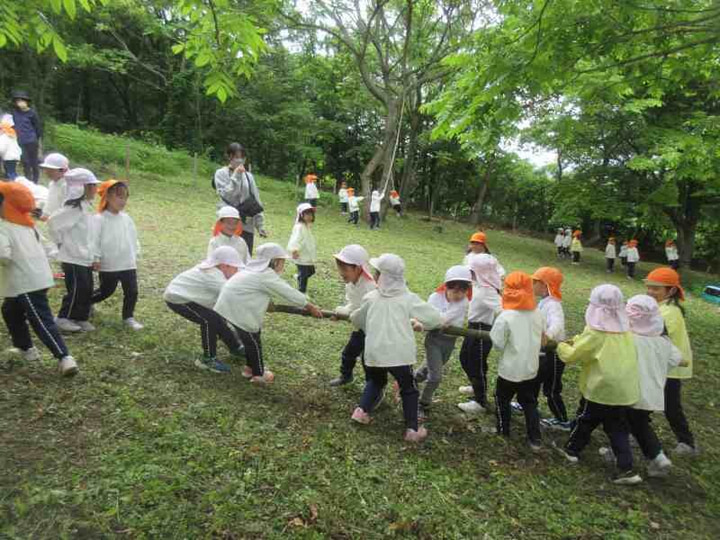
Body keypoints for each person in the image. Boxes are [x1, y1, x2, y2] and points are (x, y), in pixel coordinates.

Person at [349, 253, 442, 442]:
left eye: (376, 273)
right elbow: (433, 318)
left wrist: (350, 314)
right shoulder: (407, 297)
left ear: (381, 277)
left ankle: (361, 411)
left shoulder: (371, 297)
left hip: (374, 352)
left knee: (375, 382)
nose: (373, 276)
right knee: (408, 388)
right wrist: (438, 322)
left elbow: (357, 319)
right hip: (399, 355)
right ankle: (412, 429)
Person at [556, 284, 642, 485]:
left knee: (585, 419)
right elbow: (587, 341)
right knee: (617, 428)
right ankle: (626, 468)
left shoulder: (596, 333)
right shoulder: (625, 330)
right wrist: (578, 339)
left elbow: (572, 355)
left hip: (600, 389)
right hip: (623, 391)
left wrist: (560, 344)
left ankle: (571, 450)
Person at [598, 295, 685, 477]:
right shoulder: (663, 342)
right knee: (640, 425)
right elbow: (679, 360)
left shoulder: (627, 339)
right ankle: (658, 457)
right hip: (651, 394)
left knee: (617, 424)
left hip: (627, 391)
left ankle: (623, 461)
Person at [214, 243, 323, 384]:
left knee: (251, 338)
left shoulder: (253, 271)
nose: (283, 265)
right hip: (237, 309)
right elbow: (286, 291)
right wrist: (309, 306)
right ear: (275, 262)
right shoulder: (265, 275)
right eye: (282, 262)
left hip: (231, 305)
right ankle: (258, 374)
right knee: (253, 341)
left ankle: (248, 368)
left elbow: (257, 289)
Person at [0, 182, 78, 376]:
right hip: (36, 279)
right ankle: (26, 348)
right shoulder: (27, 224)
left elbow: (4, 256)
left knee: (40, 319)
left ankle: (64, 357)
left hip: (26, 283)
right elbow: (45, 245)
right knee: (10, 310)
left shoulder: (3, 227)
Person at [164, 246, 245, 373]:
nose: (237, 271)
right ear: (224, 266)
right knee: (209, 320)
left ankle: (235, 347)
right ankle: (208, 359)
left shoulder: (216, 271)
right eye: (235, 268)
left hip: (190, 295)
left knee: (217, 317)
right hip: (178, 298)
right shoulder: (213, 277)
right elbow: (234, 296)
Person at [644, 267, 698, 456]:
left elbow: (653, 332)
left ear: (671, 291)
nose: (650, 292)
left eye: (656, 289)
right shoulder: (660, 307)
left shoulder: (670, 312)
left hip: (671, 367)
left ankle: (687, 442)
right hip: (660, 364)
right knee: (647, 401)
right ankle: (639, 430)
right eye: (649, 287)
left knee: (670, 406)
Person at [490, 272, 544, 450]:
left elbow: (497, 342)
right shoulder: (537, 313)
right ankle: (534, 438)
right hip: (531, 368)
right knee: (529, 402)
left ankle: (503, 430)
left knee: (501, 398)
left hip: (510, 369)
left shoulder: (507, 316)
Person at [415, 265, 472, 419]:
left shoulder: (464, 301)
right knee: (436, 376)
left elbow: (442, 318)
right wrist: (439, 320)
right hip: (434, 339)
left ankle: (413, 380)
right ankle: (423, 403)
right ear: (447, 286)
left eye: (463, 290)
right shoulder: (435, 297)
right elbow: (431, 317)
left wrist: (439, 319)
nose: (459, 295)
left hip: (449, 341)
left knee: (431, 367)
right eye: (455, 290)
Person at [47, 168, 100, 333]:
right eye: (92, 186)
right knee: (76, 289)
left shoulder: (86, 207)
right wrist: (60, 243)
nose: (95, 189)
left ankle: (81, 317)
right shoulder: (72, 209)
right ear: (81, 188)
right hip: (72, 257)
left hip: (85, 256)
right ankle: (64, 317)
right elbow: (52, 223)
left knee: (87, 289)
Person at [90, 180, 143, 330]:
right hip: (109, 263)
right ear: (107, 197)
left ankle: (128, 317)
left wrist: (135, 253)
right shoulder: (99, 219)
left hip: (127, 262)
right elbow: (94, 240)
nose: (123, 201)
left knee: (132, 291)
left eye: (125, 197)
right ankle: (86, 302)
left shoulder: (126, 218)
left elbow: (133, 237)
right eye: (119, 197)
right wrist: (96, 257)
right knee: (106, 290)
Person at [458, 253, 502, 414]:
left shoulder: (488, 290)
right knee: (464, 358)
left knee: (477, 365)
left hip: (482, 331)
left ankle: (480, 401)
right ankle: (475, 385)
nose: (470, 273)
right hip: (472, 327)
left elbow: (503, 310)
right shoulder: (478, 285)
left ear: (481, 273)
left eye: (473, 271)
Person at [329, 244, 376, 387]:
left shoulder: (369, 287)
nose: (341, 272)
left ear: (357, 268)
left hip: (374, 330)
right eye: (340, 268)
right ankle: (346, 375)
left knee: (368, 360)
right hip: (360, 328)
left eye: (345, 269)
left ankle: (372, 386)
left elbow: (367, 311)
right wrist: (342, 311)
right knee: (348, 353)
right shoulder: (350, 284)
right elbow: (353, 304)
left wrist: (348, 314)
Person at [531, 267, 570, 430]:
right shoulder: (544, 302)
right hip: (544, 352)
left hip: (553, 353)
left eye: (535, 282)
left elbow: (557, 324)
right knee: (533, 380)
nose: (532, 285)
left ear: (545, 285)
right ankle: (527, 404)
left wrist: (548, 335)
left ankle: (562, 420)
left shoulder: (553, 304)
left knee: (551, 389)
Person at [213, 142, 267, 255]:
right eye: (237, 157)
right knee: (226, 257)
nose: (240, 160)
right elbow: (227, 195)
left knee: (244, 257)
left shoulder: (248, 176)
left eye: (242, 157)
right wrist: (236, 175)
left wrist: (260, 224)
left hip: (246, 223)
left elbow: (256, 200)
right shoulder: (220, 173)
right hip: (227, 222)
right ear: (229, 157)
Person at [10, 90, 42, 184]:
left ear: (26, 102)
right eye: (17, 101)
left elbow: (38, 128)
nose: (19, 102)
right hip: (20, 141)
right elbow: (12, 124)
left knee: (34, 162)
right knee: (25, 162)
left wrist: (36, 139)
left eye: (21, 100)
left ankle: (35, 181)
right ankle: (28, 181)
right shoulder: (14, 113)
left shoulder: (32, 113)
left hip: (32, 141)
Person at [287, 203, 317, 293]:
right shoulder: (299, 227)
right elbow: (295, 239)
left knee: (312, 271)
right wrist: (294, 250)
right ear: (301, 215)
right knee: (304, 277)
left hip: (307, 255)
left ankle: (299, 277)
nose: (309, 216)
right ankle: (301, 293)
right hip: (301, 256)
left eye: (311, 214)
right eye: (307, 214)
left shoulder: (306, 226)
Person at [39, 153, 69, 219]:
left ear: (63, 170)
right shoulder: (53, 183)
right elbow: (51, 201)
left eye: (51, 170)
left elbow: (67, 210)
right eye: (46, 169)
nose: (46, 172)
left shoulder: (68, 186)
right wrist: (45, 214)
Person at [0, 110, 21, 179]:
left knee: (11, 173)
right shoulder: (12, 134)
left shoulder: (4, 136)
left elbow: (2, 148)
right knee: (12, 172)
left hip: (9, 157)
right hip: (14, 156)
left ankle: (15, 185)